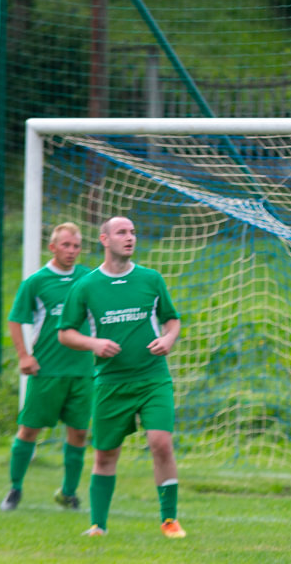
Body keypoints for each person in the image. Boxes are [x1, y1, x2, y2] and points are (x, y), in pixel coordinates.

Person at [58, 216, 186, 538]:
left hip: (153, 378)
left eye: (132, 232)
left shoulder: (151, 279)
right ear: (105, 239)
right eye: (121, 232)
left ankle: (169, 521)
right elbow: (65, 333)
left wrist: (169, 339)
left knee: (161, 443)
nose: (130, 237)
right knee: (105, 455)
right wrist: (94, 343)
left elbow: (172, 321)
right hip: (110, 383)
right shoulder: (86, 285)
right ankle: (98, 526)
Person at [1, 222, 94, 512]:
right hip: (47, 370)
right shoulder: (37, 282)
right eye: (65, 245)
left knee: (79, 432)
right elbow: (16, 319)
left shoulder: (89, 277)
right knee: (29, 430)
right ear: (52, 247)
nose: (71, 251)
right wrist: (24, 356)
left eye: (76, 246)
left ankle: (68, 493)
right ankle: (15, 489)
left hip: (83, 371)